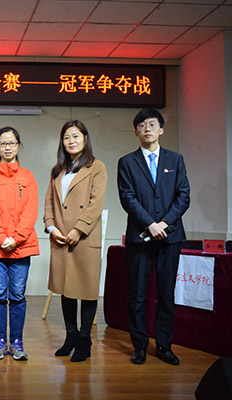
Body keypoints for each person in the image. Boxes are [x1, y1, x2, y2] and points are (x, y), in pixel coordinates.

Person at [117, 108, 190, 365]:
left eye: (152, 124)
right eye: (141, 125)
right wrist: (150, 224)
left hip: (171, 237)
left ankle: (164, 345)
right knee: (137, 294)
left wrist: (165, 223)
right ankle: (139, 345)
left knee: (166, 294)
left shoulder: (175, 160)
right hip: (140, 237)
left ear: (161, 129)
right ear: (136, 132)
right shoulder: (127, 162)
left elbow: (183, 196)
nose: (147, 129)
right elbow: (128, 198)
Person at [43, 120, 107, 362]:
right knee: (66, 289)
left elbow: (96, 204)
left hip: (84, 237)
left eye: (75, 136)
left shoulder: (96, 167)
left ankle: (84, 340)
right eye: (66, 137)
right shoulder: (57, 170)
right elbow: (49, 203)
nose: (71, 141)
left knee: (87, 291)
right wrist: (51, 227)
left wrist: (78, 230)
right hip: (61, 238)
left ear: (85, 139)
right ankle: (70, 336)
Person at [0, 127, 39, 361]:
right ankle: (0, 341)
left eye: (12, 143)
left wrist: (17, 237)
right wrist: (2, 238)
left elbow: (31, 211)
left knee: (18, 295)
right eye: (3, 143)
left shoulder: (28, 176)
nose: (8, 147)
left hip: (22, 246)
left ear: (18, 145)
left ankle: (17, 342)